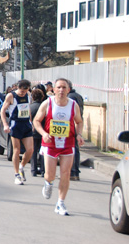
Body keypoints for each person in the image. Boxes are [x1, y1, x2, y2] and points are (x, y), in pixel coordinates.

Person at [33, 78, 85, 216]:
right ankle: (48, 183)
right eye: (59, 87)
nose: (61, 90)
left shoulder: (74, 105)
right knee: (50, 175)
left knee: (65, 174)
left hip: (67, 143)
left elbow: (79, 121)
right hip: (50, 143)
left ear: (68, 90)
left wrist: (79, 134)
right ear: (53, 89)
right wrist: (43, 133)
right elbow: (36, 121)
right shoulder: (47, 103)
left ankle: (60, 203)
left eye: (64, 87)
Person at [0, 79, 34, 185]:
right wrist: (6, 124)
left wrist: (31, 122)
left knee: (30, 150)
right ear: (17, 87)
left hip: (26, 124)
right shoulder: (11, 96)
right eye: (21, 90)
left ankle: (21, 167)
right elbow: (2, 111)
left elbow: (28, 109)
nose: (22, 92)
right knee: (16, 150)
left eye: (25, 90)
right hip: (15, 124)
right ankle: (16, 174)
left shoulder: (28, 95)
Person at [68, 82, 84, 181]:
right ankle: (75, 171)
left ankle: (72, 171)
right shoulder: (79, 96)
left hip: (71, 124)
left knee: (70, 149)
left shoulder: (70, 99)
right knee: (75, 149)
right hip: (77, 122)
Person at [30, 88, 46, 176]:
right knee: (43, 152)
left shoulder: (30, 107)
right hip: (43, 132)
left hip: (32, 132)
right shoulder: (44, 107)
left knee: (33, 151)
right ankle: (43, 170)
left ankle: (33, 170)